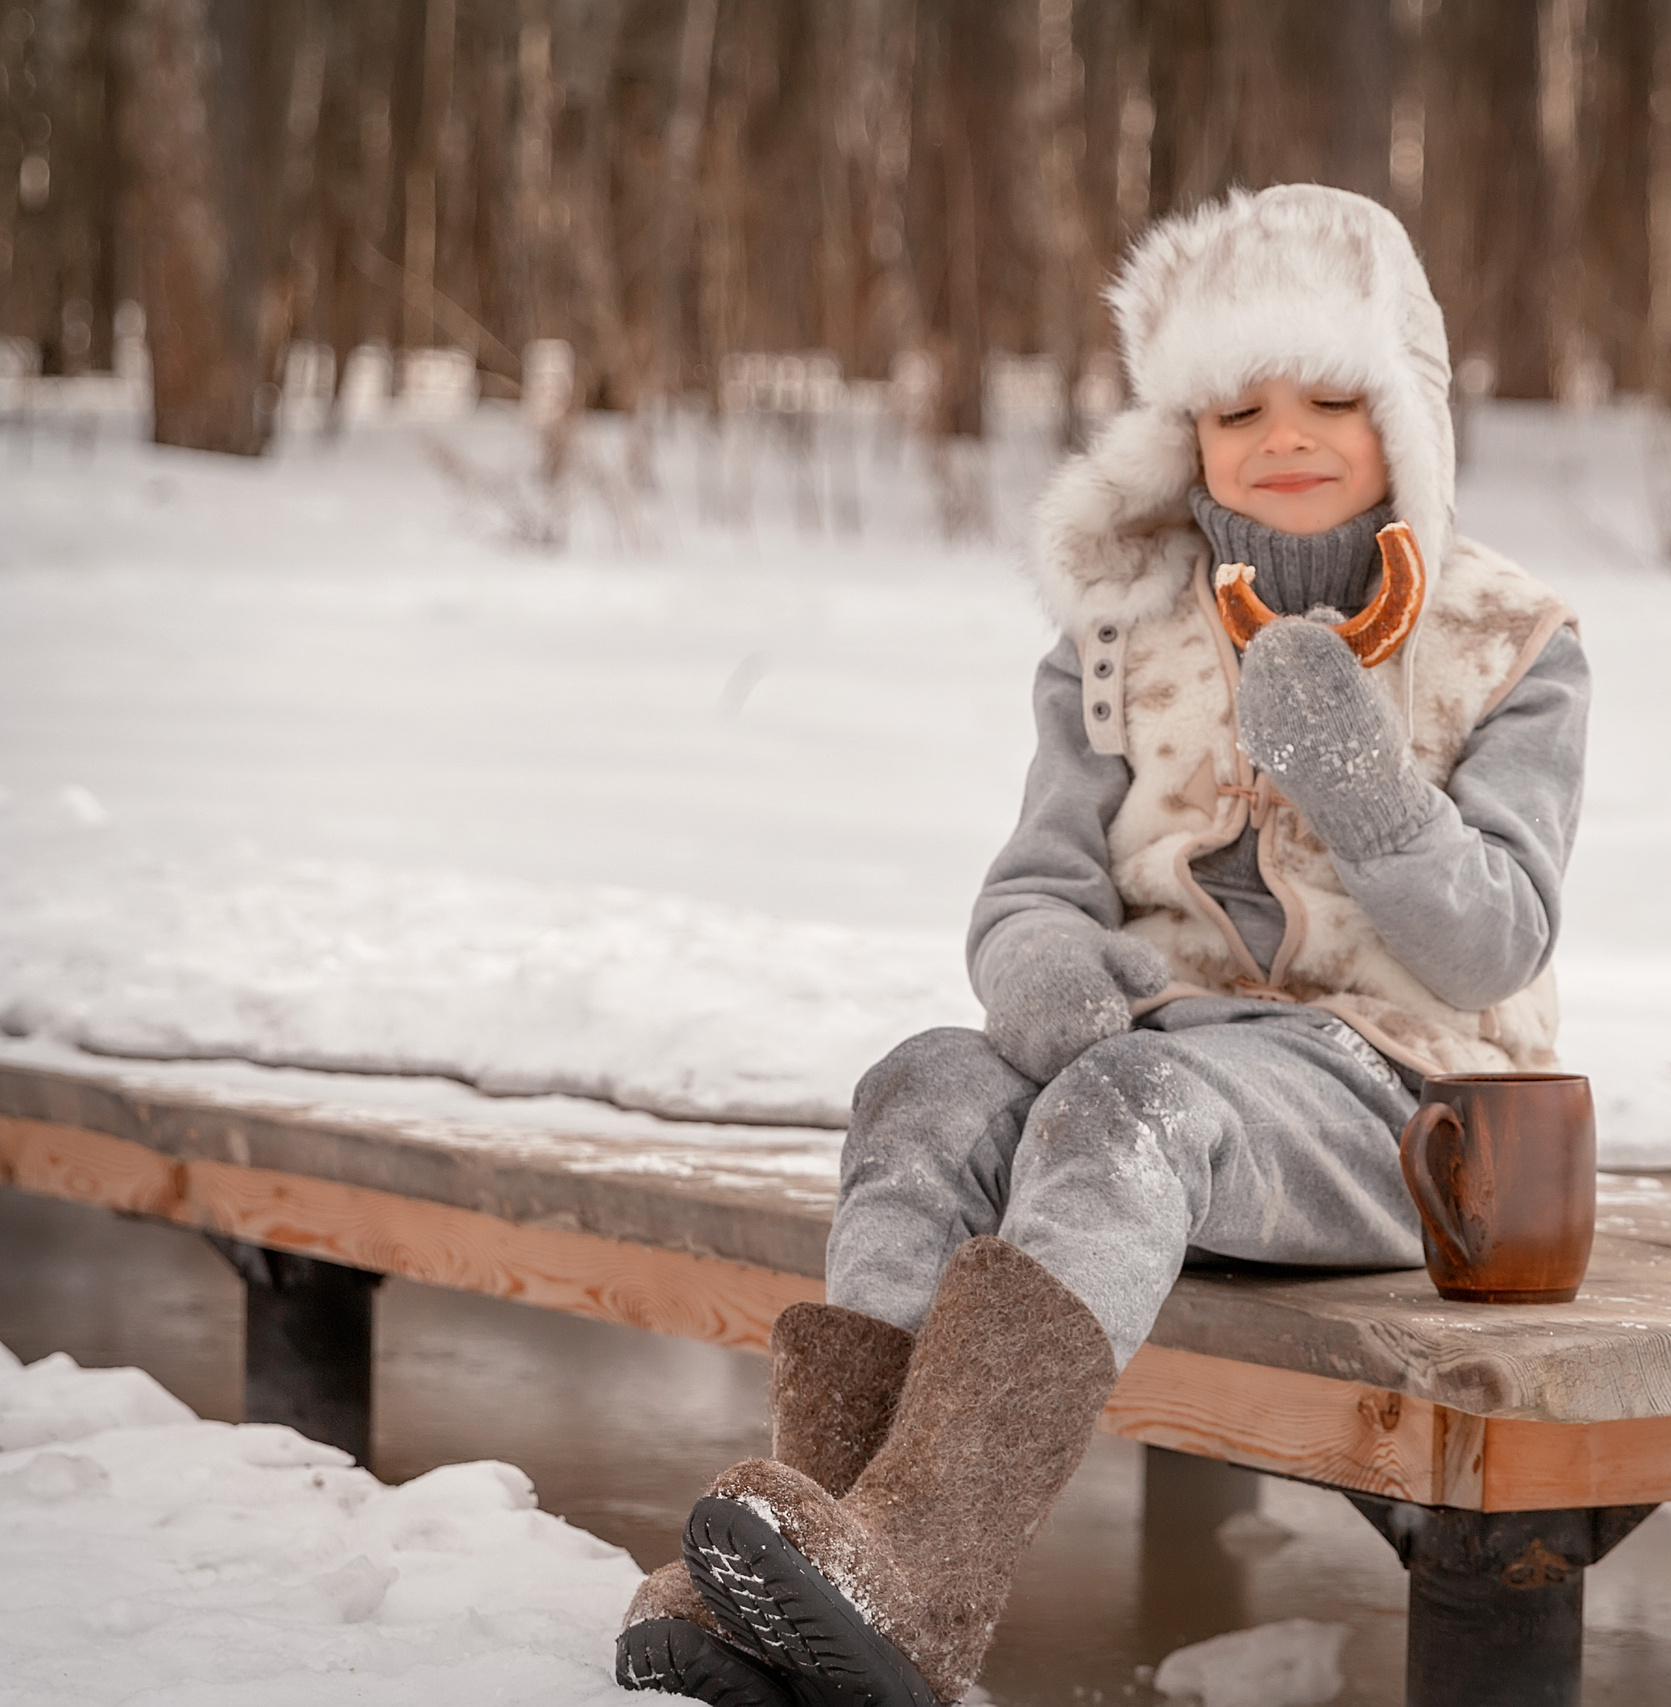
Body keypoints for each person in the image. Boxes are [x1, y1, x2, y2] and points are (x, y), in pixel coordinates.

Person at [614, 182, 1591, 1707]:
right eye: (1238, 408)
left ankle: (924, 1577)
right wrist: (1045, 976)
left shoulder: (1509, 640)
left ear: (1409, 413)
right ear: (1185, 433)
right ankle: (823, 1551)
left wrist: (1361, 782)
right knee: (926, 1081)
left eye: (1333, 399)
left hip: (1409, 1105)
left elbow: (1495, 947)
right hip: (1148, 1064)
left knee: (1129, 1105)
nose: (1284, 438)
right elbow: (1032, 890)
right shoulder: (1122, 636)